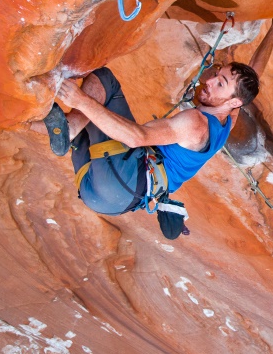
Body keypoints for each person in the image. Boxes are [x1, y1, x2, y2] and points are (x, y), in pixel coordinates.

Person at [43, 61, 259, 238]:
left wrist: (80, 101)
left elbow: (137, 137)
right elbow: (251, 76)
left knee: (103, 81)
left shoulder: (196, 123)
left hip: (122, 179)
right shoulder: (227, 121)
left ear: (234, 102)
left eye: (220, 83)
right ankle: (55, 128)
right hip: (108, 199)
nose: (209, 80)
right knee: (86, 123)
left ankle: (69, 129)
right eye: (216, 73)